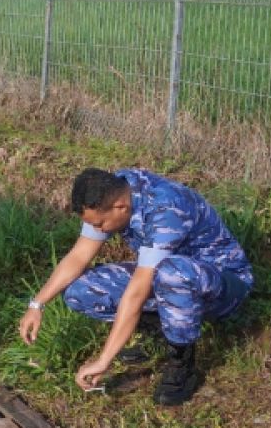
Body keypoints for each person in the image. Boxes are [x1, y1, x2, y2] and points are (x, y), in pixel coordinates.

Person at [19, 168, 253, 405]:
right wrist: (37, 304)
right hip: (163, 273)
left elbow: (136, 293)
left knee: (173, 274)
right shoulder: (112, 192)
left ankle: (183, 363)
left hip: (221, 284)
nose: (98, 230)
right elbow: (79, 257)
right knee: (81, 291)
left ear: (120, 207)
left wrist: (104, 360)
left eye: (100, 224)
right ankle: (161, 334)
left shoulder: (166, 206)